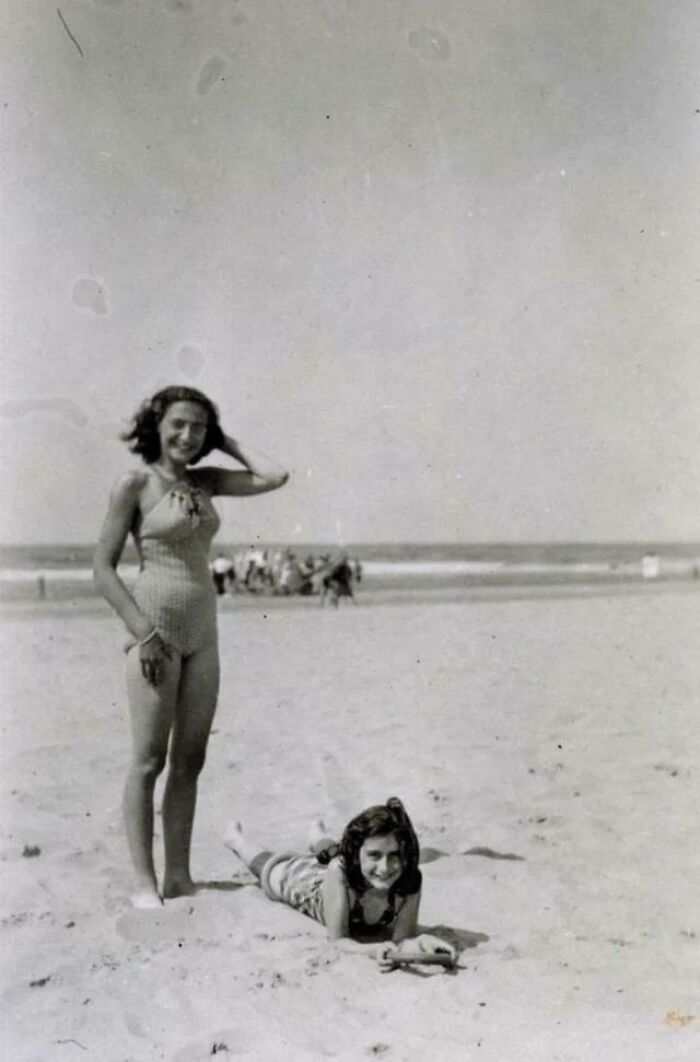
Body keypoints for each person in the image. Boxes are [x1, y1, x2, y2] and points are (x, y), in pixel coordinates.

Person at [93, 385, 289, 908]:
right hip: (154, 629)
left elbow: (275, 475)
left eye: (200, 427)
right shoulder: (134, 482)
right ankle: (144, 882)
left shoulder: (206, 482)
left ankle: (178, 877)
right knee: (147, 761)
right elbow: (102, 569)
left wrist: (225, 440)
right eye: (179, 423)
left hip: (204, 632)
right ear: (156, 424)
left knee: (191, 759)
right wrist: (143, 632)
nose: (188, 435)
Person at [224, 797, 457, 970]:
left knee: (334, 852)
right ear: (358, 854)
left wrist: (423, 944)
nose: (386, 867)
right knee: (275, 871)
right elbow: (338, 941)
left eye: (394, 855)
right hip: (314, 888)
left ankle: (318, 837)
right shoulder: (341, 871)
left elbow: (402, 941)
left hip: (351, 867)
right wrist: (372, 950)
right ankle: (236, 841)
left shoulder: (409, 879)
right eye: (375, 855)